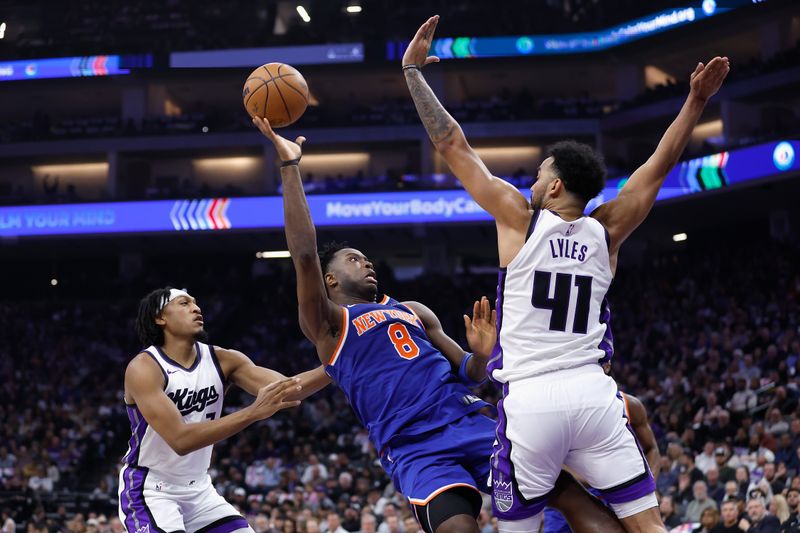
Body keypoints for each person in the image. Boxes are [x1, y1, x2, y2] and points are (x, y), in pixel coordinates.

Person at [402, 14, 729, 533]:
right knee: (649, 526)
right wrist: (696, 101)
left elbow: (452, 145)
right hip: (593, 393)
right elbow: (659, 166)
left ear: (554, 187)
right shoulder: (609, 229)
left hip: (530, 399)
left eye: (539, 175)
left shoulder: (518, 218)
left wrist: (413, 73)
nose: (532, 182)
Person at [252, 116, 626, 533]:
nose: (368, 263)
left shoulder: (413, 309)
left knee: (567, 499)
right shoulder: (329, 325)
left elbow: (470, 372)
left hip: (470, 420)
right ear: (330, 280)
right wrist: (290, 169)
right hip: (415, 446)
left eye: (367, 258)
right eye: (354, 259)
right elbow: (304, 254)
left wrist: (483, 354)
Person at [120, 287, 330, 532]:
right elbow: (180, 439)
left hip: (199, 489)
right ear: (160, 318)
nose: (196, 308)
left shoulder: (224, 359)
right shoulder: (144, 368)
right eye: (184, 303)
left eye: (196, 303)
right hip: (150, 489)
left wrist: (338, 362)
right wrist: (253, 412)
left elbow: (289, 389)